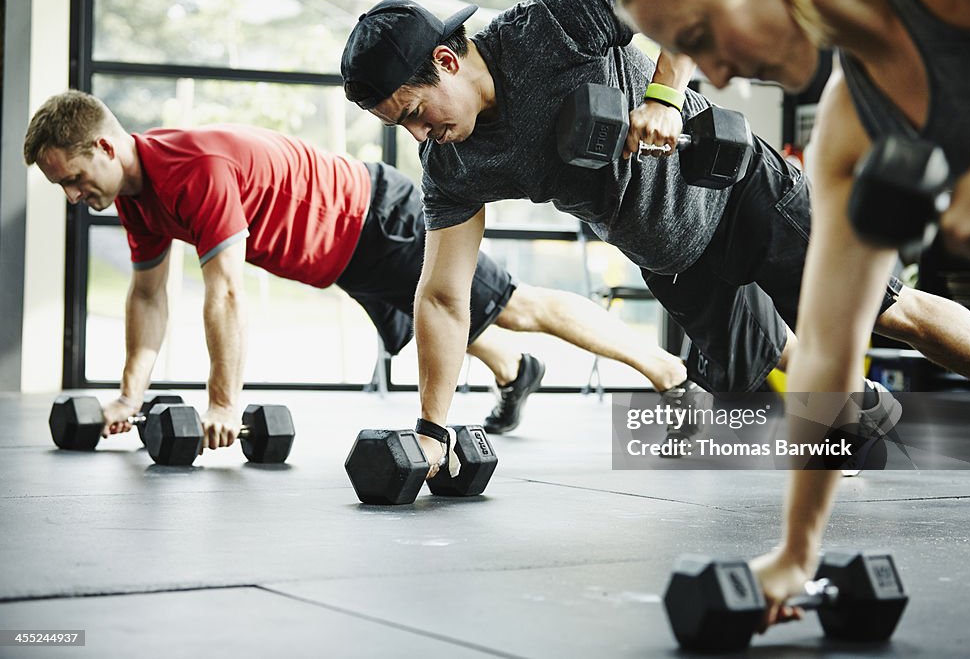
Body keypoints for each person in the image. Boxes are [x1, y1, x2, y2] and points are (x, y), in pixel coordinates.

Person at [339, 0, 970, 482]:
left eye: (415, 112)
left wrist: (664, 94)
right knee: (762, 365)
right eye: (401, 126)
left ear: (449, 62)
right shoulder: (453, 164)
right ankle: (864, 406)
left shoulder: (548, 25)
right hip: (669, 254)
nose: (419, 133)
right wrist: (432, 428)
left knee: (888, 311)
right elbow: (442, 295)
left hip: (740, 195)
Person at [616, 0, 970, 631]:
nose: (715, 76)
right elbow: (829, 345)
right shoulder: (851, 122)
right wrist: (795, 552)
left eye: (699, 40)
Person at [23, 90, 693, 447]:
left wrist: (224, 402)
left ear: (106, 145)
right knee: (453, 317)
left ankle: (668, 374)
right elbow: (147, 297)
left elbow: (224, 294)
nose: (77, 198)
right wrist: (129, 395)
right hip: (345, 254)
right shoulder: (136, 197)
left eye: (77, 178)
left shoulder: (193, 171)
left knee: (513, 303)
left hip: (375, 218)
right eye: (65, 189)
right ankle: (516, 371)